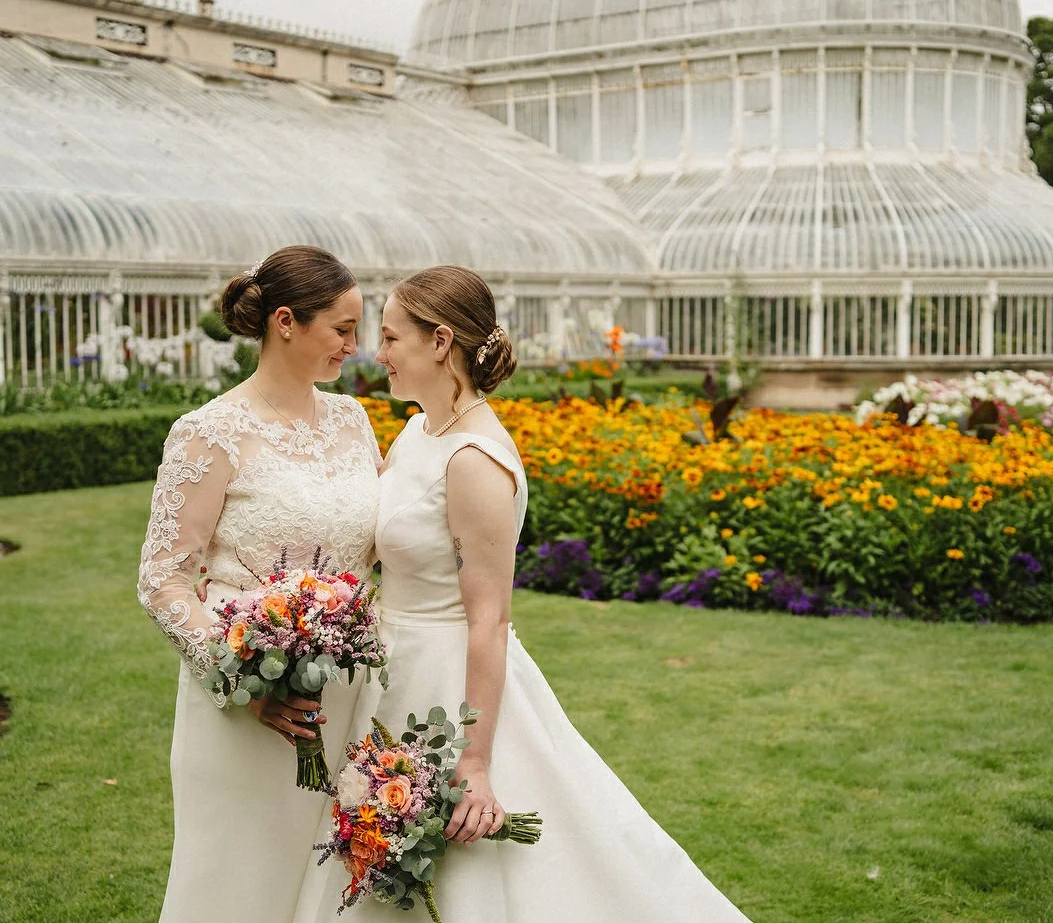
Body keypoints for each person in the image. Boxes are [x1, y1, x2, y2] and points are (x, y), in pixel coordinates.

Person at [298, 266, 751, 921]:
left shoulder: (474, 460)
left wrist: (476, 761)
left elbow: (490, 619)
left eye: (391, 337)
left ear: (440, 342)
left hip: (447, 683)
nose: (378, 352)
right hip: (389, 672)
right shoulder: (419, 431)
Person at [136, 245, 382, 923]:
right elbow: (163, 580)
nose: (354, 346)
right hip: (249, 701)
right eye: (342, 329)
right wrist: (241, 681)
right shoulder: (209, 432)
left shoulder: (353, 420)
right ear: (285, 322)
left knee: (331, 886)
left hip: (346, 698)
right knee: (239, 886)